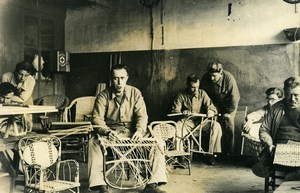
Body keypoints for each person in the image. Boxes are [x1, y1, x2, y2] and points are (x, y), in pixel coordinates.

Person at [88, 64, 167, 193]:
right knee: (93, 143)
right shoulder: (103, 96)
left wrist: (140, 131)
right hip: (112, 132)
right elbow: (97, 119)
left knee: (159, 142)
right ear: (111, 79)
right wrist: (107, 131)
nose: (119, 82)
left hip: (133, 131)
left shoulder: (135, 93)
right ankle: (100, 185)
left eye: (122, 78)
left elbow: (142, 116)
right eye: (115, 78)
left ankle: (153, 184)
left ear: (127, 78)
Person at [252, 76, 300, 177]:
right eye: (288, 95)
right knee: (268, 157)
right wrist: (269, 144)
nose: (292, 99)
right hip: (277, 147)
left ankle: (294, 174)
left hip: (298, 147)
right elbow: (264, 129)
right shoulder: (276, 107)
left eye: (296, 95)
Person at [171, 73, 222, 165]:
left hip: (200, 122)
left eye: (197, 87)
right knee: (177, 128)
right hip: (187, 122)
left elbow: (211, 107)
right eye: (193, 87)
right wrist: (183, 113)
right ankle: (180, 156)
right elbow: (174, 111)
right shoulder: (181, 95)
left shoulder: (202, 93)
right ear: (187, 85)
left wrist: (211, 111)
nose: (195, 90)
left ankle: (210, 154)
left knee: (216, 126)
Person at [200, 62, 240, 155]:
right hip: (214, 104)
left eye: (214, 76)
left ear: (221, 72)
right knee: (212, 125)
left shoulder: (229, 78)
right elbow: (202, 95)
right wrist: (210, 109)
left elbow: (235, 98)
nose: (211, 78)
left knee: (228, 125)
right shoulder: (206, 78)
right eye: (210, 75)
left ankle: (228, 154)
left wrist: (228, 112)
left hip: (228, 104)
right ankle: (212, 153)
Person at [1, 61, 36, 131]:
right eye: (20, 74)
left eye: (26, 75)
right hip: (7, 101)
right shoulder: (6, 77)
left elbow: (22, 99)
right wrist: (6, 98)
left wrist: (8, 97)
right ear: (16, 72)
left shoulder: (31, 80)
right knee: (6, 122)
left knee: (27, 124)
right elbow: (3, 94)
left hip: (26, 100)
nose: (22, 78)